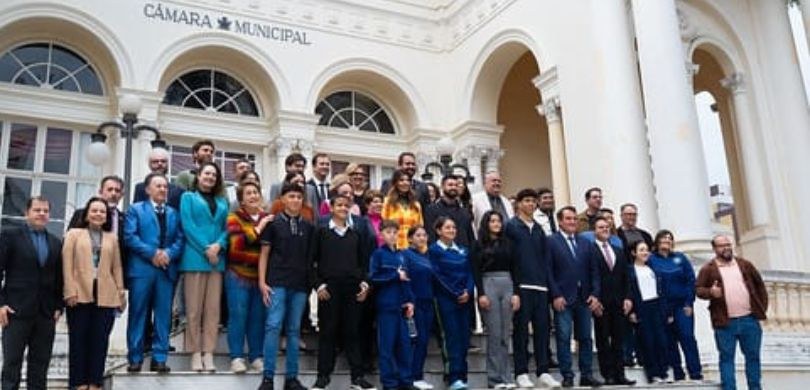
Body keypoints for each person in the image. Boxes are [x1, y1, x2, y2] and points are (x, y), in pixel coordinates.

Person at [310, 194, 376, 390]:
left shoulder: (356, 234)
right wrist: (318, 285)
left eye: (346, 206)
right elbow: (311, 262)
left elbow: (365, 263)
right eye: (339, 205)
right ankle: (323, 378)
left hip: (352, 290)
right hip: (329, 290)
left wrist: (365, 284)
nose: (342, 208)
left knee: (353, 332)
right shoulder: (321, 232)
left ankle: (357, 378)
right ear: (331, 208)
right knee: (328, 333)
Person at [62, 196, 126, 389]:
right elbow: (67, 264)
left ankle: (95, 383)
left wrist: (121, 292)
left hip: (106, 294)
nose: (98, 214)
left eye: (102, 212)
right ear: (87, 214)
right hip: (79, 292)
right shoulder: (74, 234)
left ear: (107, 217)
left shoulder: (112, 238)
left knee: (100, 342)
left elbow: (117, 267)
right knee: (79, 340)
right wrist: (69, 290)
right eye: (95, 211)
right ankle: (79, 383)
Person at [0, 196, 63, 390]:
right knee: (12, 364)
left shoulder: (55, 242)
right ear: (27, 213)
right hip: (16, 310)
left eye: (45, 211)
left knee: (40, 366)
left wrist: (59, 307)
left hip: (45, 314)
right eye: (37, 210)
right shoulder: (10, 236)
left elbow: (59, 278)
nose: (42, 214)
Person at [124, 173, 185, 373]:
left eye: (165, 187)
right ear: (148, 189)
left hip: (166, 271)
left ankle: (160, 358)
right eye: (158, 186)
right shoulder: (135, 209)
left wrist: (167, 253)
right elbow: (130, 237)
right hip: (142, 270)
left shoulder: (174, 213)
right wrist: (152, 254)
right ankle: (135, 357)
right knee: (138, 314)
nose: (163, 189)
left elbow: (180, 239)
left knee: (163, 315)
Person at [257, 184, 315, 390]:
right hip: (276, 282)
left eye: (299, 197)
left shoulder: (309, 226)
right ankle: (268, 378)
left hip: (299, 285)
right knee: (273, 327)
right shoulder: (273, 224)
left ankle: (292, 378)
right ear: (282, 199)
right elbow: (264, 254)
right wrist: (262, 282)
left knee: (293, 330)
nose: (296, 200)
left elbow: (311, 259)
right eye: (291, 196)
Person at [696, 235, 768, 390]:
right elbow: (699, 290)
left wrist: (761, 308)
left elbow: (760, 286)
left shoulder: (745, 264)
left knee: (753, 357)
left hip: (749, 320)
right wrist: (711, 292)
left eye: (728, 244)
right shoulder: (708, 268)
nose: (726, 248)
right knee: (727, 359)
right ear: (715, 249)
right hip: (724, 322)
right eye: (722, 245)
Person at [505, 189, 559, 388]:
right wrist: (515, 288)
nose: (530, 204)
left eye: (533, 201)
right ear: (518, 203)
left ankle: (543, 371)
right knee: (520, 331)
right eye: (526, 201)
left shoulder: (538, 228)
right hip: (522, 286)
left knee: (542, 331)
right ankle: (521, 372)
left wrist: (548, 287)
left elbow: (546, 259)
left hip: (541, 287)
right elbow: (510, 258)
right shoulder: (511, 227)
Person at [179, 161, 229, 372]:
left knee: (212, 310)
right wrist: (207, 248)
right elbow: (187, 225)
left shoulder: (222, 200)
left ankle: (208, 352)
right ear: (198, 176)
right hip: (195, 258)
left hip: (217, 261)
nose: (210, 177)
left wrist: (219, 245)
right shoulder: (187, 197)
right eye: (206, 173)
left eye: (214, 175)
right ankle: (194, 352)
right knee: (193, 310)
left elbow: (228, 227)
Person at [547, 206, 602, 388]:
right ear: (560, 221)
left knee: (585, 338)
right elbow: (549, 271)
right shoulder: (551, 242)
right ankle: (567, 375)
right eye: (568, 219)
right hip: (563, 298)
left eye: (574, 219)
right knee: (564, 338)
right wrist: (555, 295)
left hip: (584, 298)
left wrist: (595, 294)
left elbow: (595, 271)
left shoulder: (586, 242)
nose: (572, 222)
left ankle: (586, 374)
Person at [225, 180, 272, 373]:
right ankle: (236, 357)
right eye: (248, 193)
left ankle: (255, 356)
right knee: (238, 315)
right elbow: (236, 250)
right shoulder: (233, 217)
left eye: (255, 192)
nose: (253, 196)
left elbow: (271, 249)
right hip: (237, 275)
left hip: (261, 278)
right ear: (241, 200)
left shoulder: (269, 217)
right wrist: (259, 228)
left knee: (258, 318)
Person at [472, 211, 519, 389]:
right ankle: (494, 379)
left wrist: (516, 293)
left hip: (507, 283)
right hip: (488, 282)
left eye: (499, 220)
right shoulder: (478, 244)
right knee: (494, 334)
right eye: (492, 221)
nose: (496, 223)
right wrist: (481, 293)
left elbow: (516, 268)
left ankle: (506, 376)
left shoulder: (509, 244)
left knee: (505, 334)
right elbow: (476, 270)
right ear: (486, 223)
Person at [648, 230, 703, 382]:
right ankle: (678, 373)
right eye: (664, 238)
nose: (667, 240)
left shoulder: (680, 258)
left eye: (670, 238)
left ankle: (695, 372)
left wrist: (689, 302)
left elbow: (690, 280)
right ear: (657, 241)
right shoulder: (651, 259)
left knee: (687, 337)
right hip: (662, 306)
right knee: (669, 341)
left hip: (682, 305)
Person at [369, 220, 415, 390]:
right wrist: (394, 276)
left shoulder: (402, 255)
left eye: (395, 232)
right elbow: (373, 278)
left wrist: (410, 301)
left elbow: (407, 281)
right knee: (386, 347)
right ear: (381, 234)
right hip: (386, 306)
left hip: (401, 308)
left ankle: (406, 381)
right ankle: (389, 383)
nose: (392, 235)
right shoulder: (378, 255)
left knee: (404, 346)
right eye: (388, 232)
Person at [430, 217, 475, 390]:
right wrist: (455, 293)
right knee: (451, 337)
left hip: (464, 299)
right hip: (445, 300)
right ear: (439, 231)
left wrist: (468, 291)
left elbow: (470, 273)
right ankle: (453, 376)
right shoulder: (434, 250)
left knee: (464, 337)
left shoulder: (463, 250)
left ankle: (463, 376)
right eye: (447, 227)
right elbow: (437, 276)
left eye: (454, 227)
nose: (452, 230)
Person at [591, 217, 636, 386]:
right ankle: (608, 374)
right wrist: (594, 299)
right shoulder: (590, 249)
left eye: (607, 227)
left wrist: (628, 298)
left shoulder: (618, 250)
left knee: (619, 339)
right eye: (601, 227)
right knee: (603, 339)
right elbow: (590, 276)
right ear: (594, 230)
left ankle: (620, 374)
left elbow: (626, 278)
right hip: (600, 302)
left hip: (619, 302)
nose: (604, 229)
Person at [626, 240, 670, 384]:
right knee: (647, 341)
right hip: (641, 307)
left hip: (656, 305)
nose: (645, 253)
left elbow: (661, 289)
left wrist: (666, 310)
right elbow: (629, 292)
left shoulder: (652, 268)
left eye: (646, 250)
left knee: (661, 339)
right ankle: (653, 374)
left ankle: (663, 372)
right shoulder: (630, 270)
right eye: (641, 250)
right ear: (634, 253)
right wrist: (632, 311)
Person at [402, 226, 435, 390]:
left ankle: (418, 375)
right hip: (414, 304)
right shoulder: (406, 255)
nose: (422, 238)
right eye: (418, 235)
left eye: (424, 235)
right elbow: (405, 279)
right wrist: (409, 301)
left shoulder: (428, 256)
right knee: (414, 340)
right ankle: (410, 376)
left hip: (428, 302)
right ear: (409, 238)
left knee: (423, 340)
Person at [424, 175, 475, 248]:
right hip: (441, 255)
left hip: (463, 255)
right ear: (442, 187)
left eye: (456, 185)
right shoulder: (431, 210)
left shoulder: (464, 212)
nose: (453, 188)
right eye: (450, 185)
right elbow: (430, 236)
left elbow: (470, 237)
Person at [382, 169, 424, 250]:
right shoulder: (388, 202)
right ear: (395, 183)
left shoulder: (416, 204)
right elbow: (384, 226)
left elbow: (420, 227)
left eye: (408, 180)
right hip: (394, 247)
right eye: (401, 180)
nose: (405, 183)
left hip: (413, 248)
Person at [307, 153, 331, 218]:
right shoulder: (306, 187)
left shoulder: (332, 188)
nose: (325, 166)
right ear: (314, 167)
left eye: (327, 164)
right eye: (322, 164)